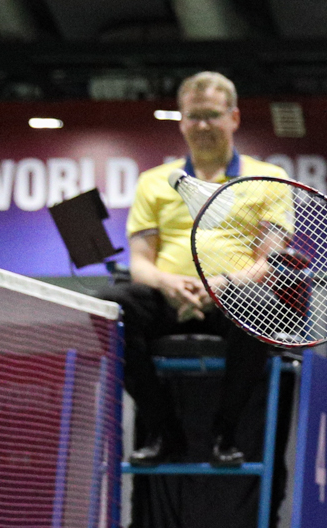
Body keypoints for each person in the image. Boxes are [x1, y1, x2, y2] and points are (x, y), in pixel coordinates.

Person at [111, 71, 287, 466]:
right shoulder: (153, 182)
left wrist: (220, 284)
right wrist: (169, 284)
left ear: (233, 118)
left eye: (212, 115)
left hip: (232, 298)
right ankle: (163, 428)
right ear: (181, 121)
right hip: (167, 297)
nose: (202, 125)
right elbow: (140, 262)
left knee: (261, 305)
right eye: (193, 116)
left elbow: (269, 262)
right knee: (111, 305)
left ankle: (225, 433)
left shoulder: (269, 179)